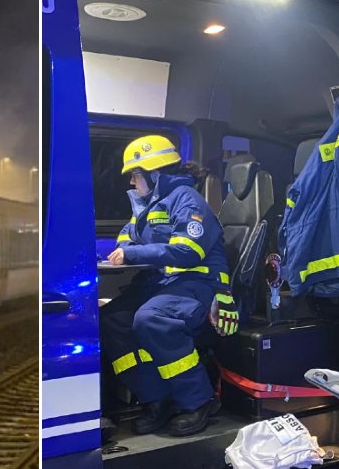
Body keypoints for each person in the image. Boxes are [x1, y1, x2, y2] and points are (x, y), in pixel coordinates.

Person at [101, 135, 237, 437]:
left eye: (136, 176)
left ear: (155, 173)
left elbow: (188, 251)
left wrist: (133, 253)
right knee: (113, 320)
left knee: (153, 320)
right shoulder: (147, 206)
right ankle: (156, 398)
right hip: (166, 282)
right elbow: (127, 236)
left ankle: (198, 401)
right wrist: (125, 249)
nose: (133, 183)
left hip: (198, 282)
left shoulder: (188, 200)